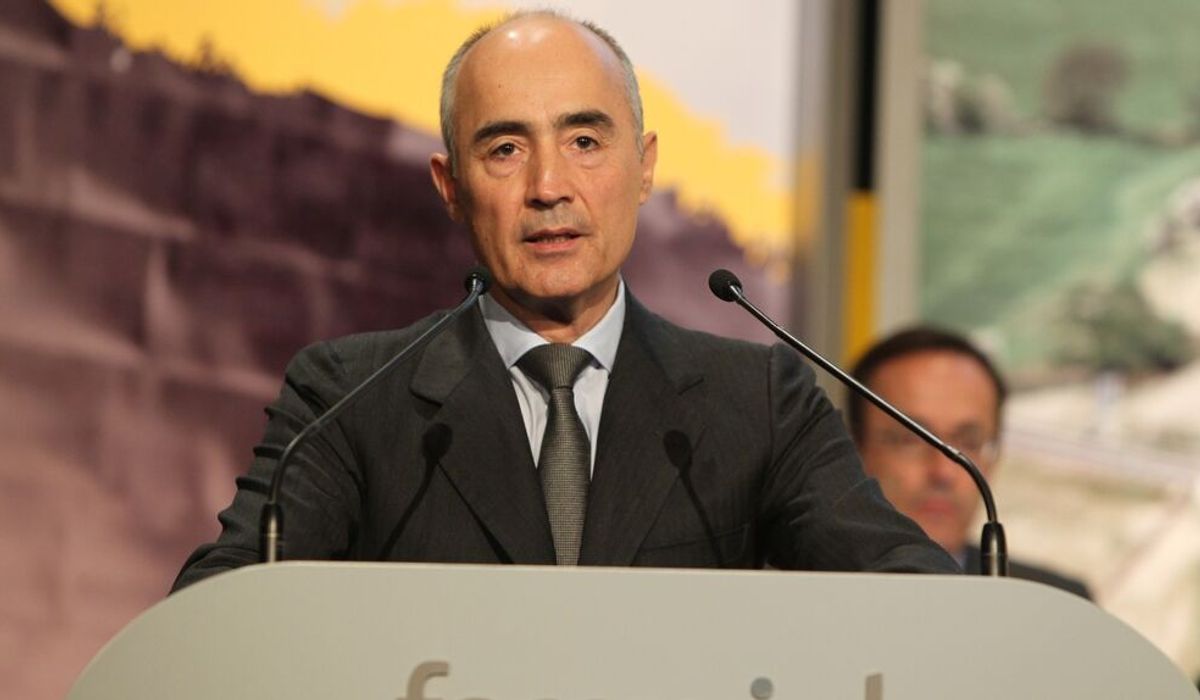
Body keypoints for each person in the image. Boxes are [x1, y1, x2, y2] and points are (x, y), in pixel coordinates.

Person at [173, 11, 957, 590]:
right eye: (505, 148)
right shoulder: (349, 399)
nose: (549, 187)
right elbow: (221, 608)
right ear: (451, 187)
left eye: (585, 141)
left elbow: (910, 592)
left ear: (644, 167)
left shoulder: (758, 403)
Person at [848, 325, 1092, 597]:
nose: (943, 472)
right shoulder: (810, 590)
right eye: (910, 440)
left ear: (995, 457)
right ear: (855, 448)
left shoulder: (1056, 605)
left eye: (969, 442)